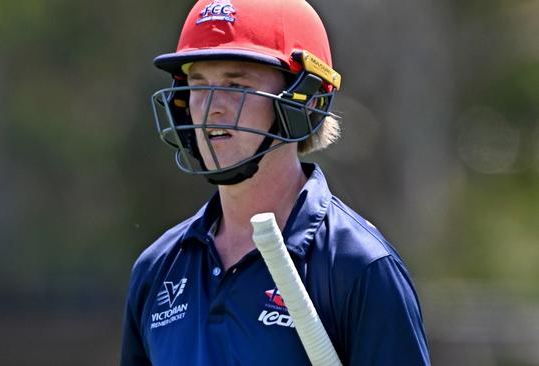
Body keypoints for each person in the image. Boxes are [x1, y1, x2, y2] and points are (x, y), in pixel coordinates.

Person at [120, 0, 430, 364]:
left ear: (305, 102)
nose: (210, 108)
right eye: (198, 84)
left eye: (236, 85)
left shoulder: (359, 268)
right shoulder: (158, 267)